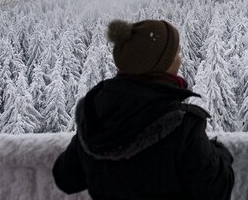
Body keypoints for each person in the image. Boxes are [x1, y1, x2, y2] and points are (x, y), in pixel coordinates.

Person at [52, 19, 235, 200]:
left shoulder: (96, 114)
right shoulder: (183, 125)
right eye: (176, 53)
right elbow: (217, 191)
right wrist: (220, 152)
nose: (181, 58)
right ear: (160, 63)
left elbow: (66, 178)